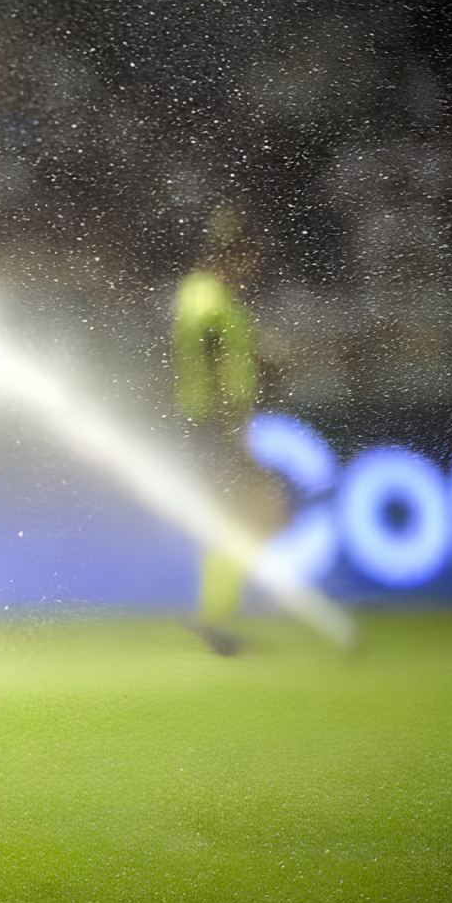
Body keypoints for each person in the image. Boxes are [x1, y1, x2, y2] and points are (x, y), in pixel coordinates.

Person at [172, 202, 280, 655]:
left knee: (245, 515)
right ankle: (214, 616)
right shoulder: (208, 298)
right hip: (215, 424)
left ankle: (216, 615)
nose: (256, 267)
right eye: (252, 257)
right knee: (257, 512)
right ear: (236, 254)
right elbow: (216, 361)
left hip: (215, 421)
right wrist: (235, 431)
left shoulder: (210, 296)